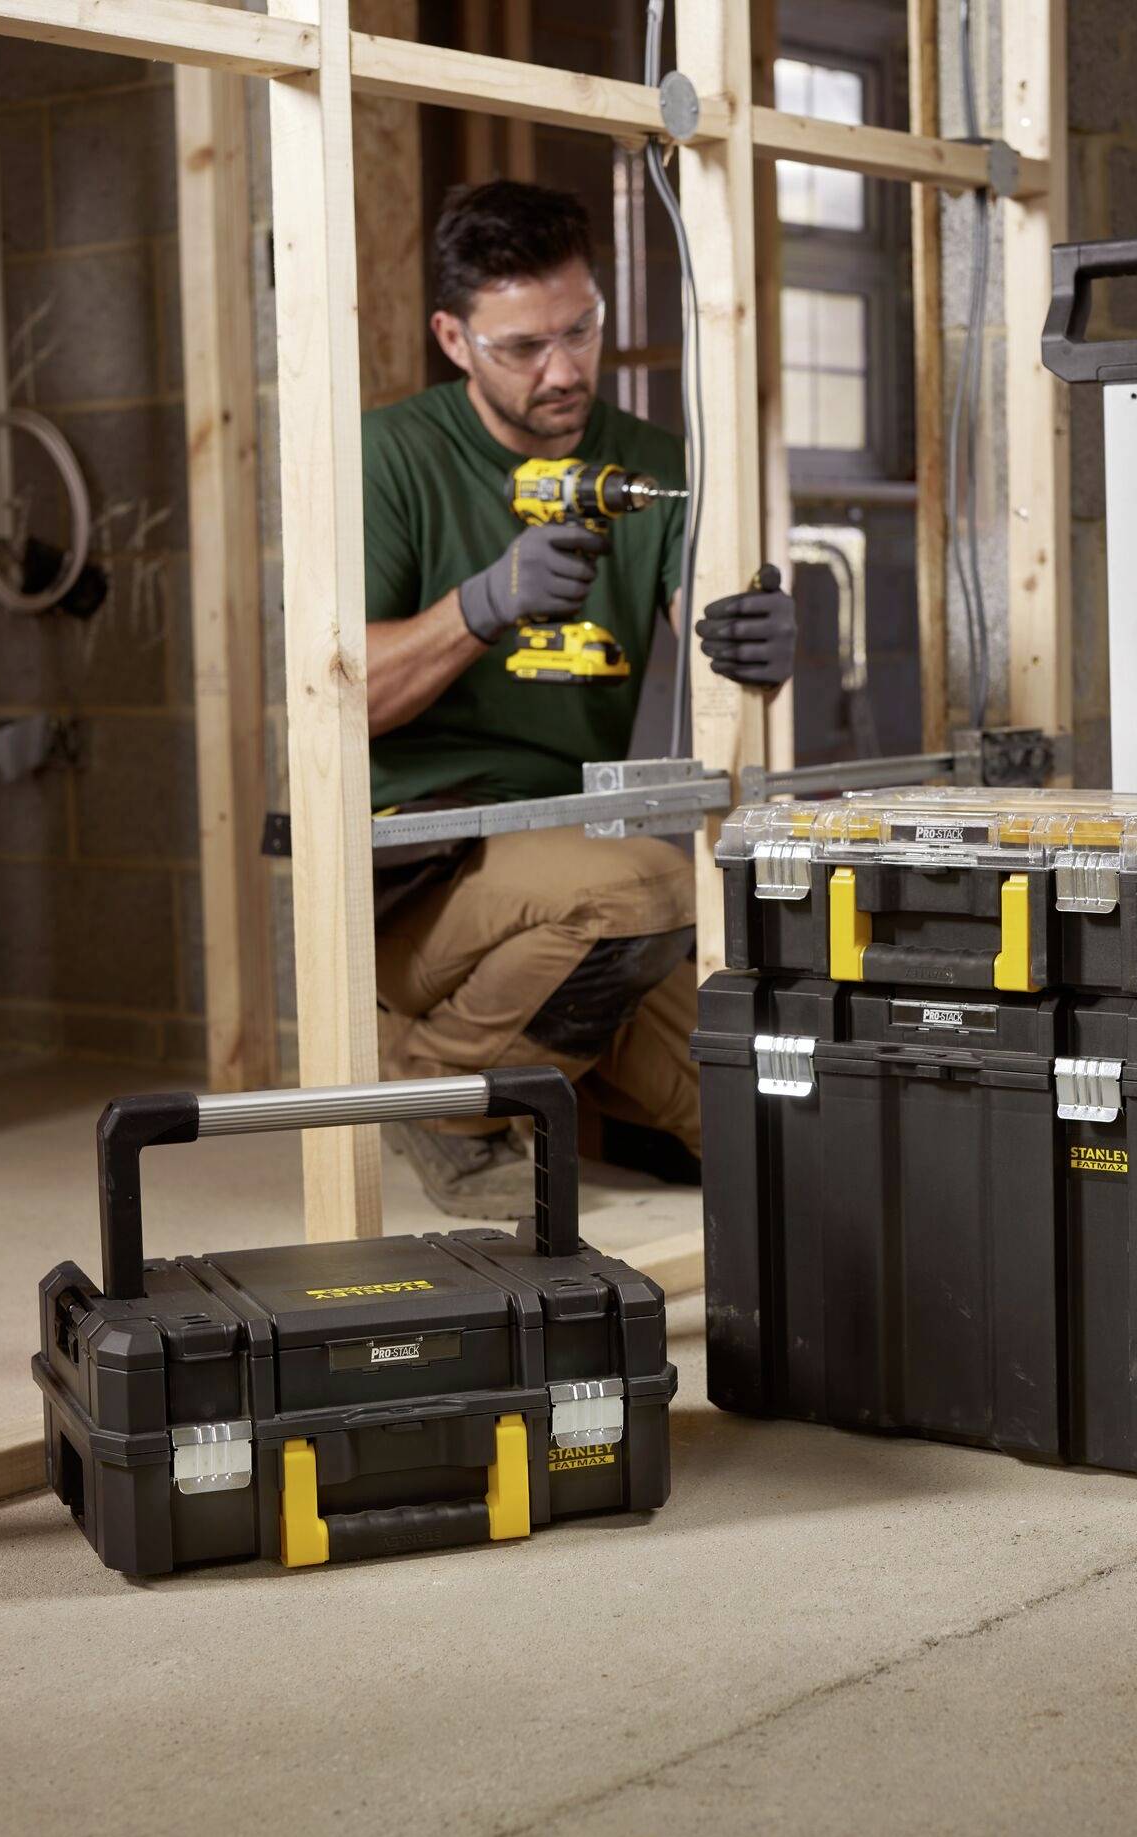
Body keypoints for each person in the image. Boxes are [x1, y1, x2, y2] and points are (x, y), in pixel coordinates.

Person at [360, 180, 796, 1217]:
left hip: (567, 857)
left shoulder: (646, 468)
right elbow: (346, 701)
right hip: (418, 864)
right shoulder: (390, 456)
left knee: (764, 1115)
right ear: (453, 339)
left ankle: (541, 1082)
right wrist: (480, 604)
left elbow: (715, 627)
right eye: (521, 346)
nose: (562, 369)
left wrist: (761, 649)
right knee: (647, 888)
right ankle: (438, 1098)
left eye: (581, 329)